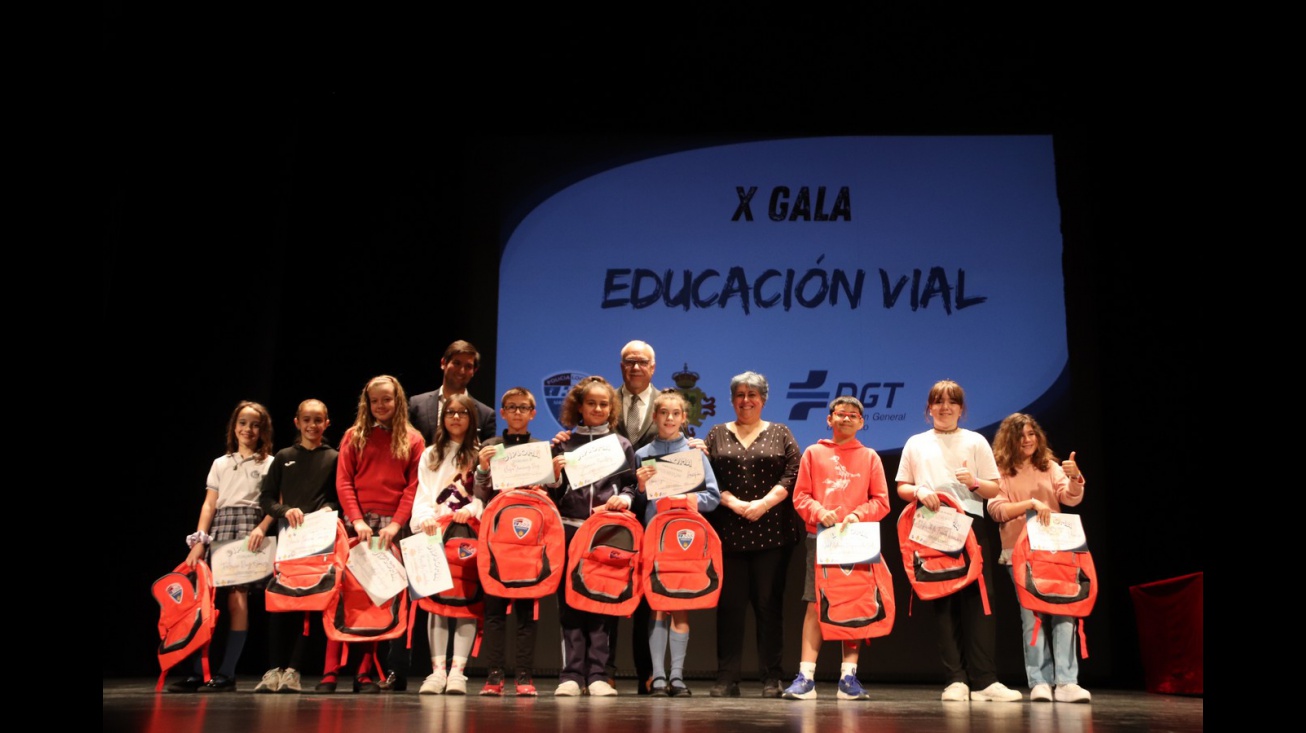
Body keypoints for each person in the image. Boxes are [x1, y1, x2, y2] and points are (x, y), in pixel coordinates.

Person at [894, 379, 1022, 703]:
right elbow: (902, 487)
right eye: (938, 402)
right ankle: (956, 680)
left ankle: (986, 680)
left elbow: (994, 488)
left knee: (980, 601)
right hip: (932, 526)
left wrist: (975, 482)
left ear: (961, 409)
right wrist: (920, 491)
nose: (945, 407)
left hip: (970, 523)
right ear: (929, 408)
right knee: (943, 600)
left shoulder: (976, 441)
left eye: (952, 402)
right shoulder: (916, 443)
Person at [702, 371, 804, 698]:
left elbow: (794, 471)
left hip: (772, 534)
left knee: (768, 607)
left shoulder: (781, 432)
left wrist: (763, 503)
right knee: (729, 608)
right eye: (740, 395)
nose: (746, 401)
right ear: (732, 399)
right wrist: (731, 501)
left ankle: (772, 678)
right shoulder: (716, 433)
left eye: (753, 395)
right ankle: (726, 678)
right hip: (728, 534)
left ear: (763, 399)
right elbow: (704, 476)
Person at [321, 375, 424, 694]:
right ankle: (330, 672)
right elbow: (344, 482)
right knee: (342, 596)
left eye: (387, 399)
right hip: (357, 527)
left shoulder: (412, 438)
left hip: (392, 530)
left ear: (399, 401)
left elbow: (413, 486)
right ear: (367, 403)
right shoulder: (354, 436)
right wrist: (357, 520)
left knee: (379, 598)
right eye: (375, 400)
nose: (381, 406)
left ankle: (363, 674)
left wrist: (395, 524)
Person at [782, 396, 889, 701]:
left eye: (852, 415)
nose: (845, 419)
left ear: (861, 422)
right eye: (840, 414)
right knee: (815, 603)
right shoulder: (813, 454)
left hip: (857, 539)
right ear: (829, 419)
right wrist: (819, 512)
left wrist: (857, 514)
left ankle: (849, 678)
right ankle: (806, 677)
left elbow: (882, 501)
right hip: (822, 538)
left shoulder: (870, 457)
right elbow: (800, 497)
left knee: (855, 603)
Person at [166, 401, 276, 693]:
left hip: (249, 529)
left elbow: (274, 503)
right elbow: (209, 504)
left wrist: (262, 527)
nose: (248, 429)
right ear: (234, 427)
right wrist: (200, 541)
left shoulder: (269, 463)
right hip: (220, 530)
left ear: (263, 430)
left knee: (237, 601)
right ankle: (197, 672)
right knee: (204, 602)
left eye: (254, 424)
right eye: (242, 423)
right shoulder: (221, 463)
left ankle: (226, 673)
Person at [988, 413, 1091, 704]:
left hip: (1055, 551)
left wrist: (1074, 478)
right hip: (1019, 554)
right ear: (1010, 440)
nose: (1027, 440)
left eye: (1031, 434)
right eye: (1021, 436)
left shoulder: (1051, 467)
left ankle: (1067, 682)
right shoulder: (1002, 472)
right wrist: (1030, 504)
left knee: (1064, 612)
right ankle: (1040, 681)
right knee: (1031, 617)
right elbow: (997, 509)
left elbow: (1070, 498)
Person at [547, 376, 639, 697]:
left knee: (602, 602)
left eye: (603, 404)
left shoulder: (621, 445)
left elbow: (631, 485)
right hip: (570, 530)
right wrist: (554, 476)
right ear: (579, 406)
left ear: (610, 408)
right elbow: (550, 494)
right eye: (591, 403)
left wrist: (625, 499)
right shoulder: (562, 444)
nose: (598, 408)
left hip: (606, 532)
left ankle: (598, 674)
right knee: (570, 604)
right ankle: (571, 674)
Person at [633, 389, 720, 697]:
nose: (669, 418)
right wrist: (642, 486)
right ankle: (657, 676)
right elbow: (638, 501)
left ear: (684, 418)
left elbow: (713, 497)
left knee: (681, 606)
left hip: (686, 542)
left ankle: (678, 677)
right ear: (655, 417)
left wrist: (688, 497)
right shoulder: (642, 454)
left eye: (675, 413)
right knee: (657, 605)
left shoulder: (696, 455)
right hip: (654, 540)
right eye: (663, 413)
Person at [254, 399, 340, 694]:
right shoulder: (283, 456)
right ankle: (273, 669)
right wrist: (284, 510)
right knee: (280, 604)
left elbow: (336, 496)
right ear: (297, 422)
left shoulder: (334, 457)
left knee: (308, 604)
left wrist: (328, 508)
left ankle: (293, 671)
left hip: (318, 540)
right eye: (307, 419)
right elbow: (266, 498)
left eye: (318, 420)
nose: (312, 425)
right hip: (288, 540)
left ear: (326, 423)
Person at [471, 387, 547, 697]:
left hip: (529, 539)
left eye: (523, 407)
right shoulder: (491, 446)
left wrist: (552, 476)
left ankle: (525, 676)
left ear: (533, 413)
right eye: (511, 407)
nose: (517, 412)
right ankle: (494, 675)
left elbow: (549, 496)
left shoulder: (541, 448)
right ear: (502, 413)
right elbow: (479, 494)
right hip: (496, 538)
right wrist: (481, 469)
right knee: (494, 609)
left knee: (526, 611)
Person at [410, 393, 483, 695]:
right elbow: (424, 493)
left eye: (462, 413)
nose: (455, 418)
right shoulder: (430, 454)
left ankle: (458, 672)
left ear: (471, 418)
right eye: (450, 413)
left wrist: (474, 508)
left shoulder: (481, 454)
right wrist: (426, 517)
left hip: (468, 534)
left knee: (466, 602)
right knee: (436, 604)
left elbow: (486, 494)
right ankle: (437, 671)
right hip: (435, 533)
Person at [614, 340, 659, 692]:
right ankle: (606, 672)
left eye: (642, 362)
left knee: (645, 599)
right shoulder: (604, 401)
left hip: (651, 512)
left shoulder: (667, 405)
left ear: (653, 367)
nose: (635, 367)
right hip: (609, 506)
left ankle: (647, 674)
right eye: (629, 361)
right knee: (608, 587)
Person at [409, 340, 497, 445]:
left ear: (474, 371)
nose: (462, 371)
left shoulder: (486, 415)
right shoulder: (417, 405)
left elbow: (490, 456)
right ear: (443, 363)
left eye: (468, 366)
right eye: (457, 363)